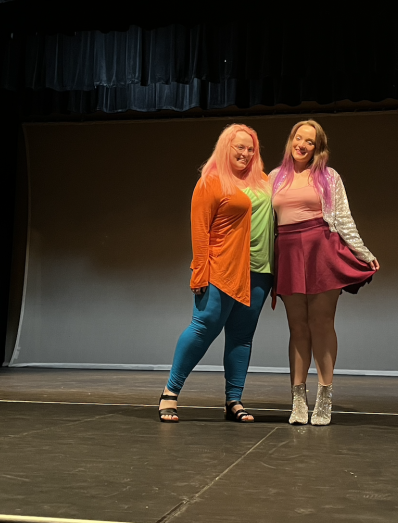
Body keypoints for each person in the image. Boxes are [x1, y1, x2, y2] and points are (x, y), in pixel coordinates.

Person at [158, 124, 274, 423]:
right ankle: (170, 393)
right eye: (240, 147)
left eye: (251, 149)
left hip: (260, 270)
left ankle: (233, 401)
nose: (246, 154)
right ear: (226, 147)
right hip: (223, 268)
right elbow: (200, 230)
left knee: (242, 337)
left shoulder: (263, 181)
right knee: (203, 328)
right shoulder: (210, 181)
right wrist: (199, 272)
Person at [269, 120, 378, 426]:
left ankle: (325, 397)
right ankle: (298, 399)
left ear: (318, 148)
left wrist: (363, 252)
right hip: (288, 254)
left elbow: (343, 218)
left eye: (310, 142)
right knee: (298, 327)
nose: (302, 145)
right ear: (291, 140)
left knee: (321, 322)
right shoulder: (274, 178)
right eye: (298, 138)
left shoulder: (328, 177)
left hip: (322, 250)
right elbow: (262, 223)